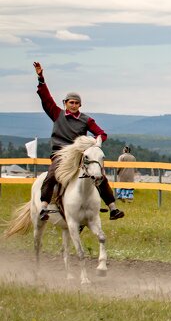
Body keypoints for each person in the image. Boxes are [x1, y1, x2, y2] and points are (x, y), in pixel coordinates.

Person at [33, 62, 124, 221]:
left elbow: (101, 133)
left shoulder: (86, 120)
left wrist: (97, 143)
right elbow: (46, 99)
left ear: (80, 105)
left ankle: (112, 208)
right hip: (60, 155)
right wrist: (41, 78)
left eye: (76, 103)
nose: (73, 105)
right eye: (70, 102)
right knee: (52, 174)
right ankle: (44, 206)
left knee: (99, 176)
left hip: (79, 156)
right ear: (65, 103)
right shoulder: (56, 114)